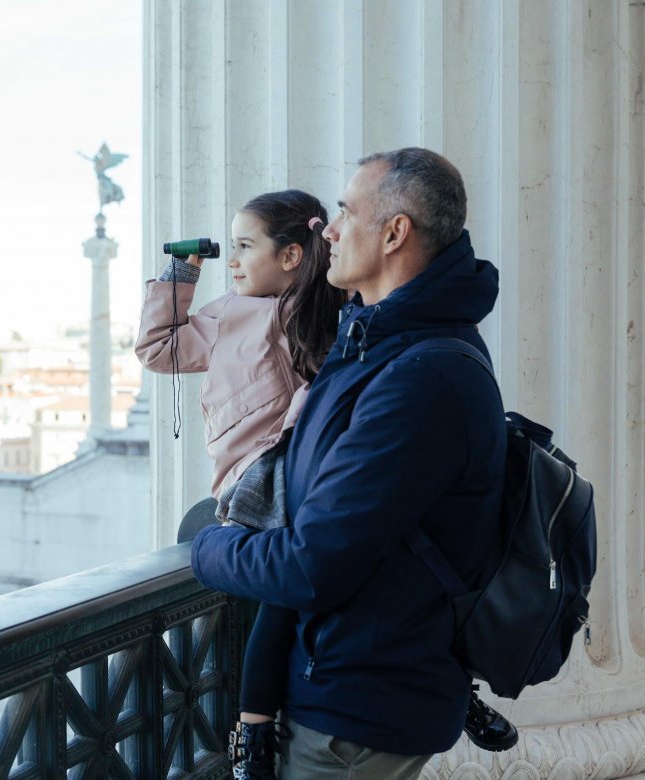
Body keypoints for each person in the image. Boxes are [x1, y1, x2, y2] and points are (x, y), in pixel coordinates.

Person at [191, 148, 513, 778]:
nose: (327, 230)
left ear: (395, 233)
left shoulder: (420, 376)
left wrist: (206, 546)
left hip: (355, 716)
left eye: (343, 212)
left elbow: (313, 565)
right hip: (348, 684)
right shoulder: (376, 341)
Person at [137, 189, 345, 778]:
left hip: (304, 471)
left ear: (291, 255)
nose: (233, 260)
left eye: (246, 246)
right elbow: (159, 349)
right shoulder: (230, 313)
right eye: (230, 247)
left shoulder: (330, 306)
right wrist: (180, 275)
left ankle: (253, 729)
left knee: (291, 589)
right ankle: (254, 728)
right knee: (283, 587)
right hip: (249, 478)